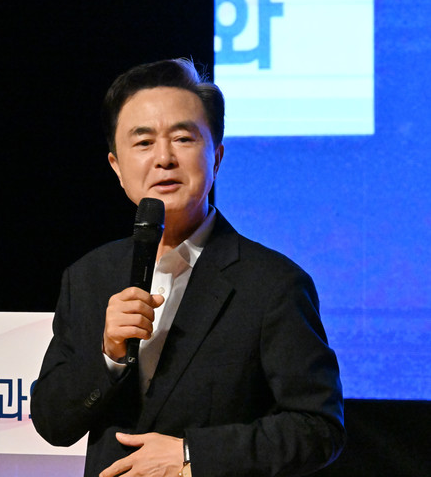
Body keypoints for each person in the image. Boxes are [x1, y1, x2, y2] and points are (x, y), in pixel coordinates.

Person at [30, 58, 345, 477]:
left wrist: (192, 455)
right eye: (143, 142)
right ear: (117, 167)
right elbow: (52, 422)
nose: (164, 158)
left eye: (182, 138)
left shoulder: (274, 284)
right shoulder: (89, 276)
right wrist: (108, 356)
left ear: (216, 157)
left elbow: (318, 428)